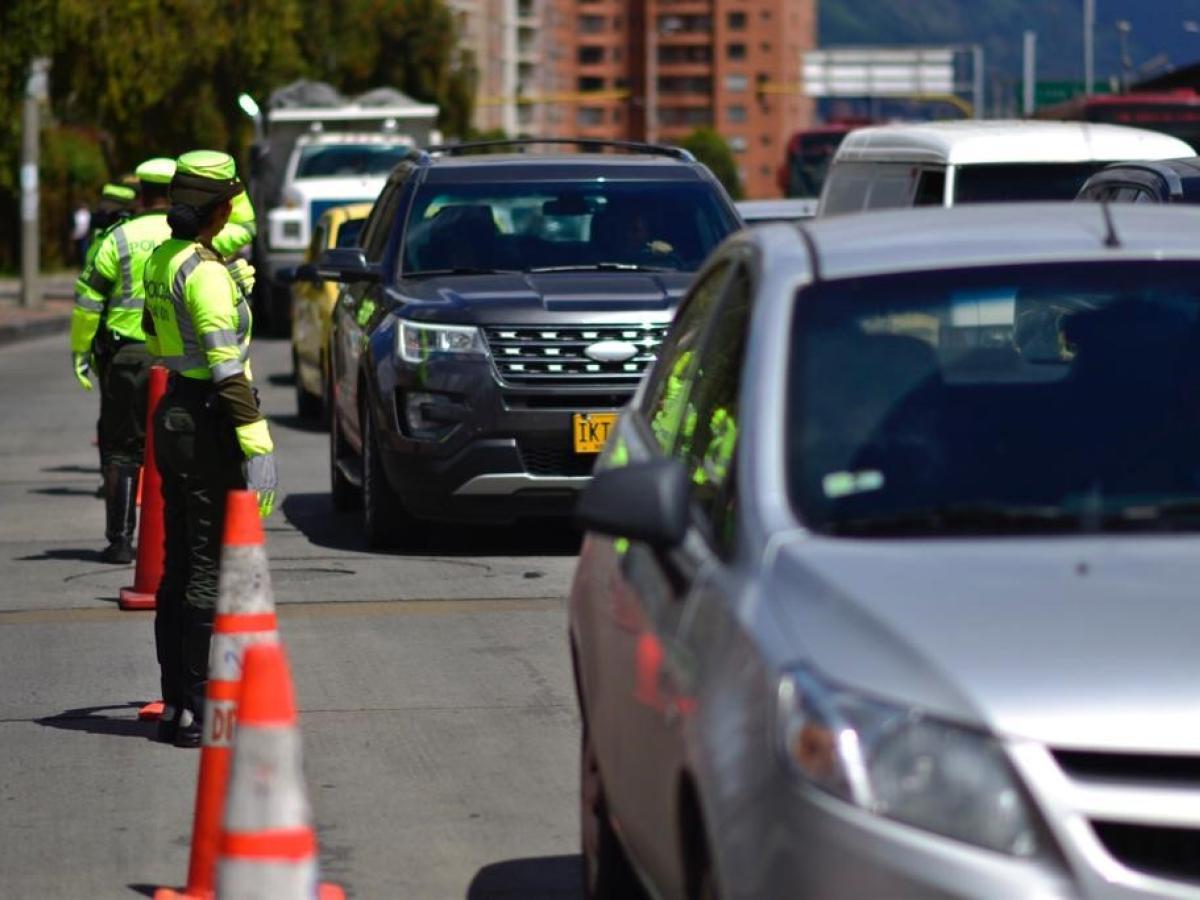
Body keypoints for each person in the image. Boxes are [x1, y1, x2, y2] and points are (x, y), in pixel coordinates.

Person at [142, 150, 276, 747]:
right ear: (219, 210)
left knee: (176, 567)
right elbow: (227, 369)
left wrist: (230, 286)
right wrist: (257, 441)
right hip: (207, 419)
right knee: (204, 568)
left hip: (172, 412)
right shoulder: (205, 272)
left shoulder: (164, 260)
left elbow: (155, 331)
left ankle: (176, 702)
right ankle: (196, 706)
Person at [70, 161, 175, 562]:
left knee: (122, 450)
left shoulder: (118, 238)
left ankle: (120, 541)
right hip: (178, 359)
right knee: (178, 449)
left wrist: (81, 351)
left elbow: (88, 300)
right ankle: (173, 540)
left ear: (141, 195)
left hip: (127, 358)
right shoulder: (191, 239)